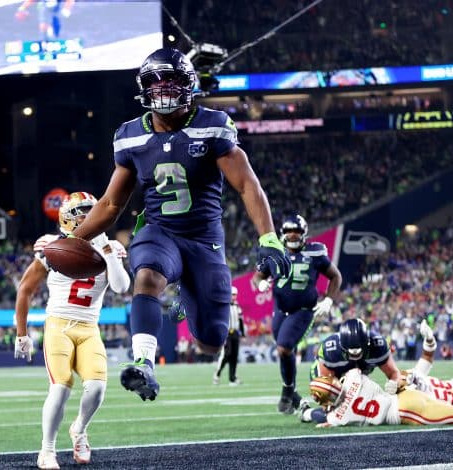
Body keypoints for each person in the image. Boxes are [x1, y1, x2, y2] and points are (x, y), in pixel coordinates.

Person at [69, 48, 291, 402]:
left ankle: (189, 297)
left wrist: (269, 237)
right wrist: (73, 240)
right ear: (144, 89)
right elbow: (111, 204)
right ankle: (143, 363)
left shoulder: (212, 125)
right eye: (155, 84)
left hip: (204, 240)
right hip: (160, 231)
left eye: (171, 82)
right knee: (146, 277)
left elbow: (248, 185)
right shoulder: (130, 135)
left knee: (210, 341)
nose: (163, 91)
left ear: (189, 86)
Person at [14, 191, 131, 470]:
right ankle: (47, 450)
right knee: (61, 387)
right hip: (59, 325)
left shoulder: (109, 246)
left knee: (97, 389)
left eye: (93, 211)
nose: (91, 217)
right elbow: (26, 288)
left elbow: (121, 287)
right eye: (83, 213)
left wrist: (107, 250)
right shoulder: (53, 247)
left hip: (89, 327)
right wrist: (22, 333)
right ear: (68, 218)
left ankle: (79, 429)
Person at [253, 214, 343, 413]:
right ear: (282, 233)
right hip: (280, 310)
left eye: (297, 231)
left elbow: (335, 276)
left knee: (284, 348)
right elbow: (257, 276)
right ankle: (292, 395)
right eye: (289, 231)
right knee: (285, 352)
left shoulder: (315, 252)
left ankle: (287, 391)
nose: (293, 235)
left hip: (303, 310)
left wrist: (329, 299)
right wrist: (260, 283)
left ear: (304, 233)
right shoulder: (275, 252)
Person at [300, 367, 453, 428]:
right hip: (405, 397)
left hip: (404, 413)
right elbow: (356, 371)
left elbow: (325, 417)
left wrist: (311, 413)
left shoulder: (338, 418)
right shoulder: (353, 377)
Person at [311, 318, 400, 386]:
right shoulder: (330, 351)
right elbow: (326, 383)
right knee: (326, 392)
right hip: (334, 375)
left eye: (359, 353)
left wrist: (394, 384)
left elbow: (394, 373)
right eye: (351, 354)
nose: (355, 357)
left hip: (360, 374)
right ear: (342, 347)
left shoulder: (378, 346)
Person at [213, 286, 245, 386]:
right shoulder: (223, 305)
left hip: (235, 332)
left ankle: (232, 378)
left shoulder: (237, 306)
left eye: (235, 295)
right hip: (226, 333)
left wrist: (243, 333)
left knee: (234, 356)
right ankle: (217, 373)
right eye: (232, 295)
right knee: (227, 354)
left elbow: (241, 320)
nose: (233, 297)